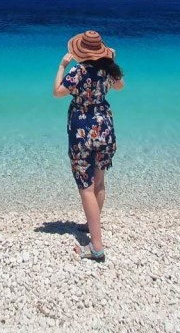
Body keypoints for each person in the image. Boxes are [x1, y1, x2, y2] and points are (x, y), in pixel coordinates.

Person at [52, 30, 125, 262]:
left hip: (82, 129)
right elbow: (120, 86)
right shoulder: (108, 71)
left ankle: (96, 247)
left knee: (85, 185)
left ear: (80, 52)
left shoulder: (78, 71)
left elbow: (57, 93)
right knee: (99, 181)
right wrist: (111, 62)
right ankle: (91, 225)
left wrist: (62, 66)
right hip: (104, 126)